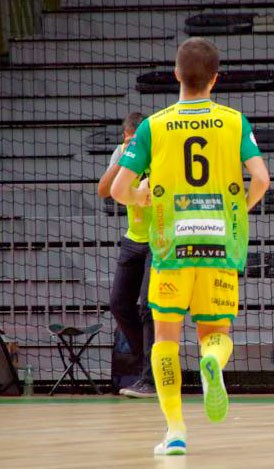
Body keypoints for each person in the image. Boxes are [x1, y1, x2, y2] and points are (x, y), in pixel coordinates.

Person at [111, 37, 270, 455]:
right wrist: (239, 210)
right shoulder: (235, 122)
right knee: (215, 333)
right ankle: (213, 363)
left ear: (177, 74)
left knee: (164, 338)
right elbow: (263, 179)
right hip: (219, 244)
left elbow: (119, 188)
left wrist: (142, 197)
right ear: (215, 79)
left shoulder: (153, 125)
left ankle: (176, 430)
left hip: (170, 248)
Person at [97, 112, 157, 398]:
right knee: (119, 304)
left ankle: (152, 378)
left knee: (148, 307)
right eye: (129, 139)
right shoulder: (122, 154)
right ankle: (150, 363)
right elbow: (103, 191)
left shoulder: (157, 151)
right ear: (125, 137)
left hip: (159, 239)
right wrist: (124, 157)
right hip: (132, 239)